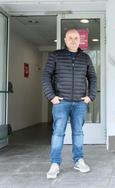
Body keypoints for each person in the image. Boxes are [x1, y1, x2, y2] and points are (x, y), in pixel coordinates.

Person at [42, 28, 97, 179]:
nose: (73, 40)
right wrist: (51, 96)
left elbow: (92, 77)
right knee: (58, 133)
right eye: (70, 38)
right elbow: (46, 76)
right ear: (65, 40)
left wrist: (90, 96)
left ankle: (79, 160)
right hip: (61, 102)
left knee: (78, 132)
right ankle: (55, 164)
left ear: (80, 41)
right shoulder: (56, 55)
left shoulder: (85, 58)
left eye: (76, 38)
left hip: (80, 102)